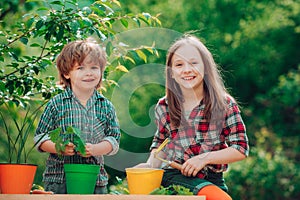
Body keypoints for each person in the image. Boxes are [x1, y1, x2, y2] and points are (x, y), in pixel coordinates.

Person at [135, 35, 249, 200]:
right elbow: (160, 145)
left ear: (206, 67)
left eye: (193, 63)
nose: (186, 69)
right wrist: (149, 167)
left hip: (213, 180)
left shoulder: (224, 104)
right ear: (171, 72)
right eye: (179, 65)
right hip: (175, 177)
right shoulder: (164, 106)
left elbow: (241, 148)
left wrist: (204, 159)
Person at [34, 38, 121, 194]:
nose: (88, 73)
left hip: (95, 180)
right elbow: (40, 138)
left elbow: (113, 141)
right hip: (59, 179)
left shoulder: (106, 106)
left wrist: (95, 149)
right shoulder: (56, 104)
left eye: (94, 67)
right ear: (67, 73)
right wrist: (58, 148)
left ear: (101, 71)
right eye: (80, 68)